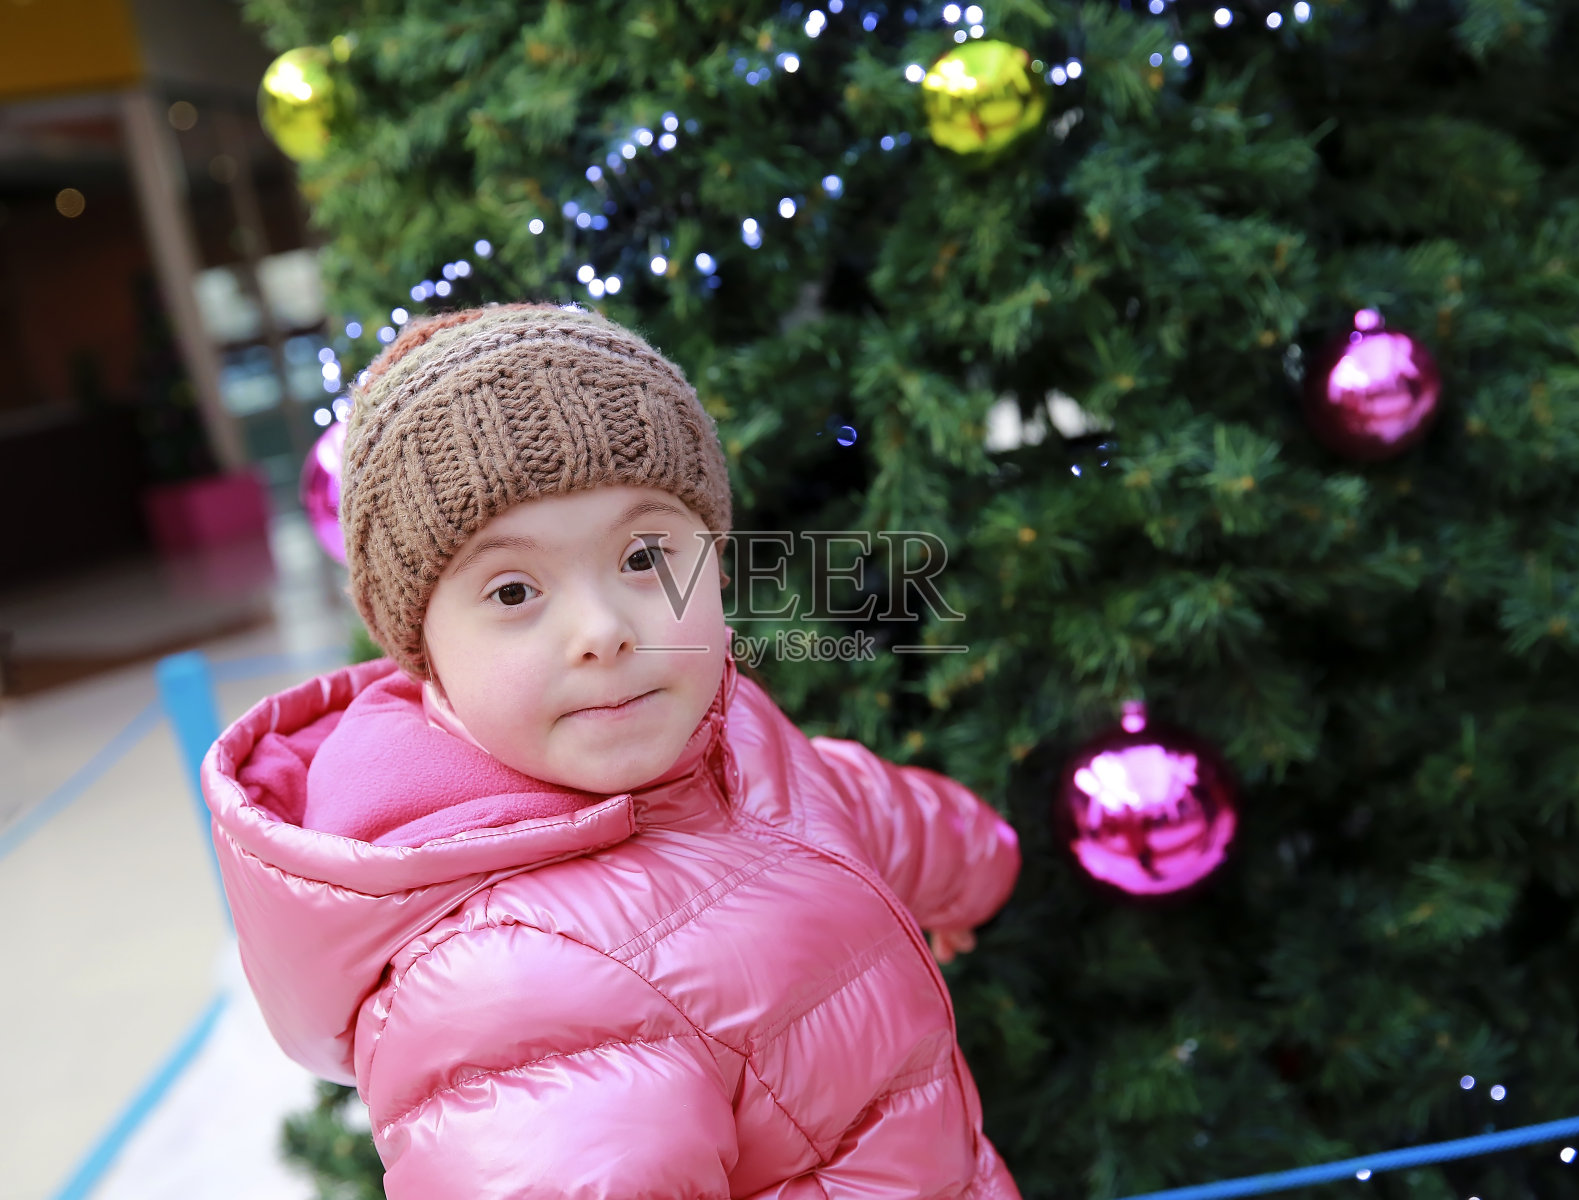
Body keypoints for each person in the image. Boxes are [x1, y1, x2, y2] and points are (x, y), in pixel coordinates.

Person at [201, 303, 1023, 1198]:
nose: (602, 630)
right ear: (423, 646)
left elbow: (839, 803)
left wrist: (977, 864)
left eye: (643, 557)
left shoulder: (718, 731)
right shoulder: (506, 993)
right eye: (514, 589)